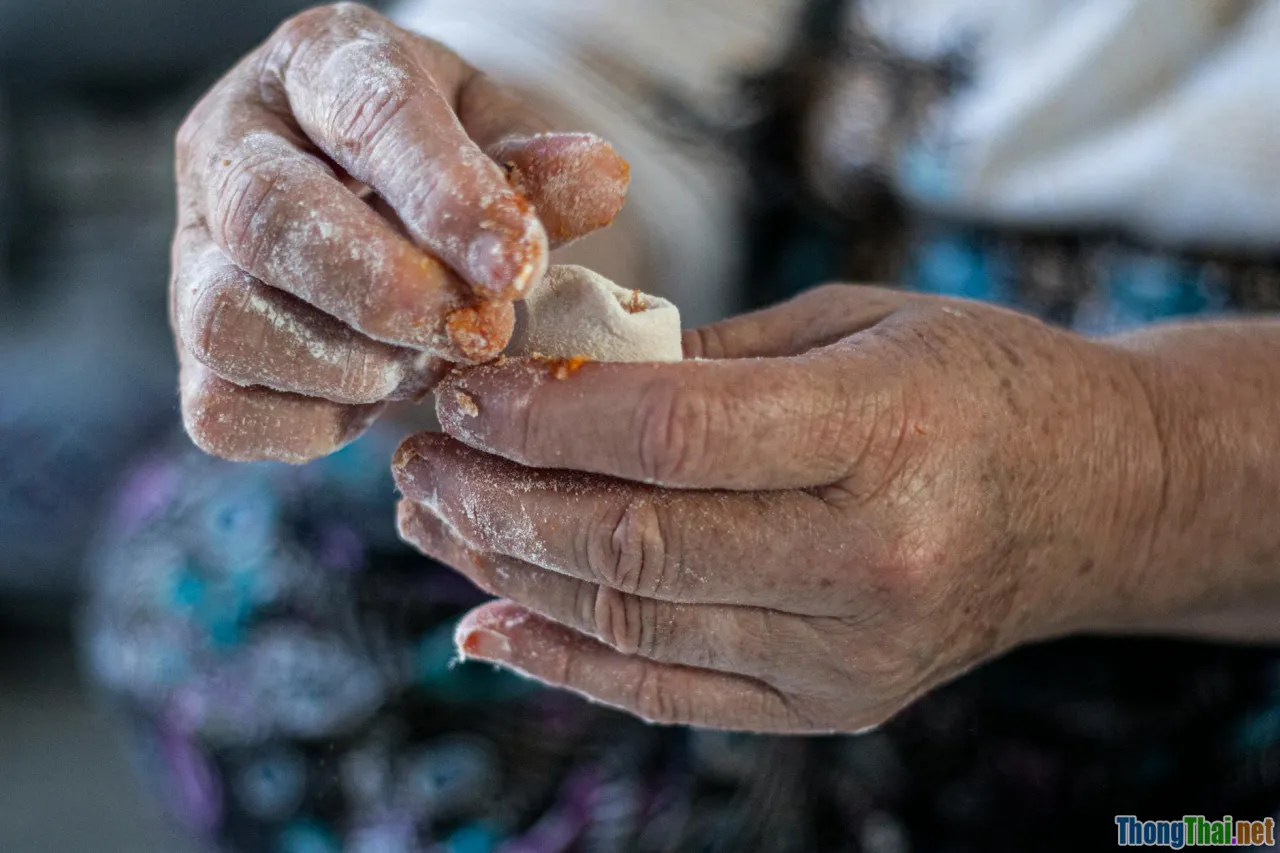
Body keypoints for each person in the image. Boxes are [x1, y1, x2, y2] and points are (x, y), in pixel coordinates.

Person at [106, 0, 1280, 849]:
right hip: (842, 280)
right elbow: (624, 53)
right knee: (244, 576)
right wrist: (441, 188)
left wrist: (1143, 471)